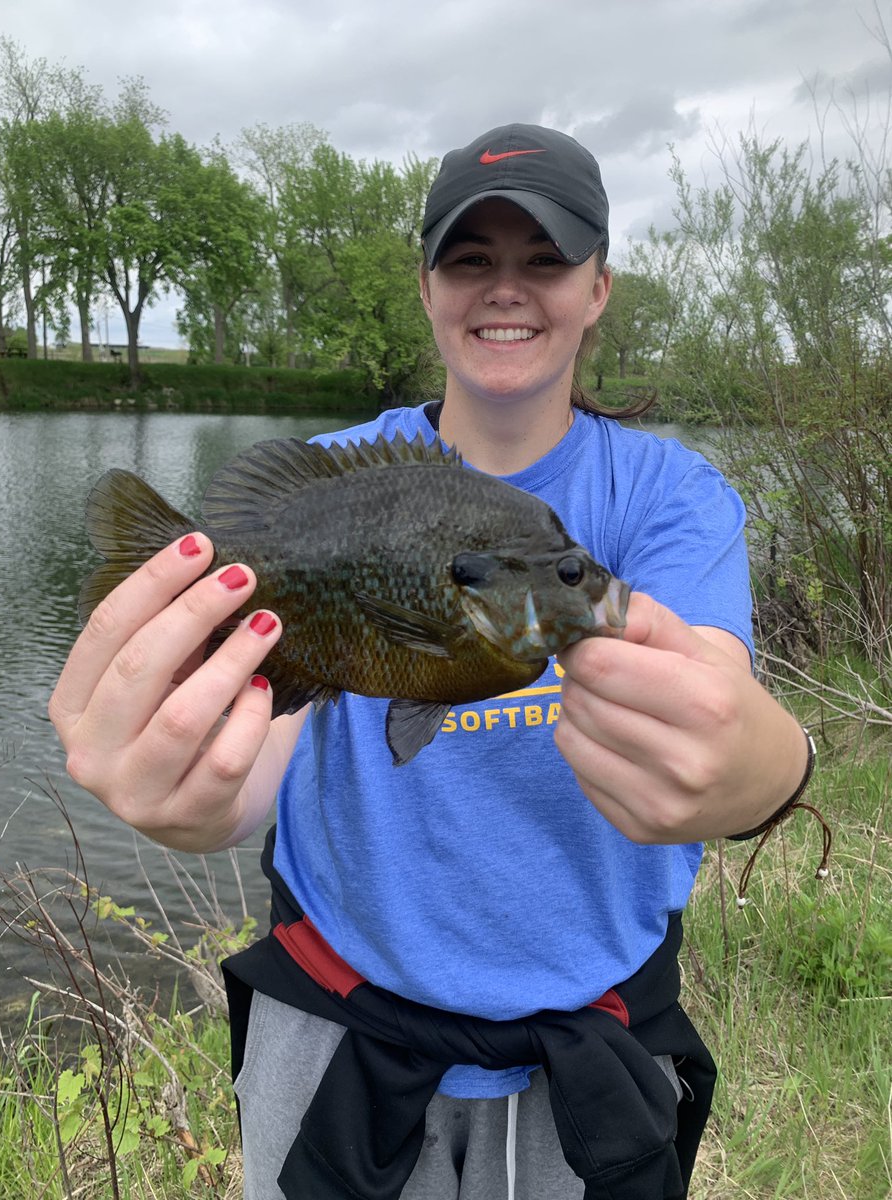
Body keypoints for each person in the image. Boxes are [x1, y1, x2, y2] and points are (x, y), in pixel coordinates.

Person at [50, 123, 814, 1200]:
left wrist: (767, 766)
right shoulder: (324, 476)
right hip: (337, 1046)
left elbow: (723, 721)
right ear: (426, 287)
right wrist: (189, 794)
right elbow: (260, 752)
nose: (508, 289)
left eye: (545, 260)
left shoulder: (669, 501)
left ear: (599, 287)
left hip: (592, 1063)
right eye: (471, 260)